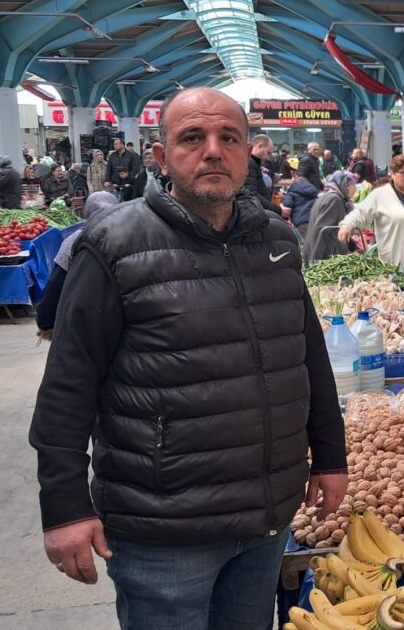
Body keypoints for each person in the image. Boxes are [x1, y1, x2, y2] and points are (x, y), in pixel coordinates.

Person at [29, 87, 347, 627]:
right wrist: (65, 507)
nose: (213, 151)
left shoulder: (275, 239)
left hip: (266, 515)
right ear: (161, 157)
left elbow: (306, 352)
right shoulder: (113, 245)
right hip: (165, 529)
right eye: (193, 138)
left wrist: (330, 454)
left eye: (229, 138)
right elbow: (67, 385)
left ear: (249, 151)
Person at [35, 191, 119, 341]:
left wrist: (45, 321)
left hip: (87, 320)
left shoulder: (74, 240)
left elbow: (56, 284)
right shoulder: (133, 237)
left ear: (87, 213)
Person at [338, 154, 404, 267]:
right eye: (403, 173)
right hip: (396, 262)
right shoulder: (380, 195)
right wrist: (346, 226)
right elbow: (360, 213)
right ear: (393, 174)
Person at [303, 170, 358, 263]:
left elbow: (335, 227)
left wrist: (352, 246)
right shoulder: (334, 200)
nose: (355, 189)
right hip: (327, 256)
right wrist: (315, 260)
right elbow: (321, 230)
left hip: (328, 253)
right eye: (353, 185)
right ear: (345, 184)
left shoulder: (328, 196)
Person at [244, 134, 281, 215]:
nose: (268, 158)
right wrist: (277, 210)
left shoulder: (253, 163)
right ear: (260, 146)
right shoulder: (250, 163)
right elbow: (252, 194)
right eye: (268, 153)